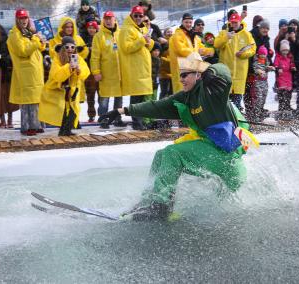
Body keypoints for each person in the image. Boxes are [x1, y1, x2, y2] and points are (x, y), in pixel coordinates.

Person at [99, 53, 258, 221]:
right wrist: (121, 111)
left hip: (226, 158)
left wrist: (213, 71)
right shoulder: (185, 97)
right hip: (212, 151)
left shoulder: (212, 92)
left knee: (173, 153)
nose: (181, 79)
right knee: (161, 155)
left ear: (198, 75)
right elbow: (155, 106)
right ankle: (149, 200)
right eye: (179, 75)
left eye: (185, 75)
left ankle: (162, 206)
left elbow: (224, 73)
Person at [39, 36, 90, 136]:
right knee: (61, 111)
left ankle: (67, 130)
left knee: (73, 111)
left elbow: (86, 72)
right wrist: (68, 67)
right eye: (67, 47)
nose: (70, 49)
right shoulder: (57, 59)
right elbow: (57, 76)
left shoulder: (78, 58)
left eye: (72, 47)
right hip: (58, 90)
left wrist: (79, 71)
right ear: (63, 48)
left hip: (72, 91)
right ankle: (63, 130)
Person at [7, 8, 46, 136]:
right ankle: (27, 126)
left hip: (34, 71)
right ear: (17, 19)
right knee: (27, 102)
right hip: (25, 73)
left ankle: (37, 124)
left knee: (35, 100)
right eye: (21, 18)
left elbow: (38, 48)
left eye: (25, 18)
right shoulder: (15, 34)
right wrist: (35, 40)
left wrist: (41, 40)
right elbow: (23, 51)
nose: (24, 20)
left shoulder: (28, 32)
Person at [118, 5, 154, 130]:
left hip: (142, 68)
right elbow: (126, 48)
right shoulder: (126, 29)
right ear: (131, 15)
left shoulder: (142, 28)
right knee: (136, 97)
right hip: (134, 69)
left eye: (141, 16)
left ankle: (140, 122)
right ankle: (136, 123)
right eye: (136, 15)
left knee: (142, 97)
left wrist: (150, 42)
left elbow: (147, 46)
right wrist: (142, 40)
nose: (138, 18)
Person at [214, 13, 256, 112]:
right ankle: (225, 120)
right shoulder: (224, 33)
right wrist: (226, 37)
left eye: (236, 22)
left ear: (240, 21)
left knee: (236, 103)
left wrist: (243, 54)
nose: (234, 24)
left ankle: (235, 122)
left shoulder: (247, 34)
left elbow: (253, 49)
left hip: (239, 74)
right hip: (226, 74)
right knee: (225, 102)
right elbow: (216, 45)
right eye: (232, 22)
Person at [91, 11, 125, 129]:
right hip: (105, 74)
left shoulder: (121, 34)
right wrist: (96, 72)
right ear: (103, 20)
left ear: (115, 19)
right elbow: (95, 56)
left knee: (119, 99)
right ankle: (103, 119)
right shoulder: (98, 36)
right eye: (106, 18)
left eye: (110, 18)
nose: (108, 21)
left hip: (120, 74)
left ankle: (117, 118)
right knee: (104, 99)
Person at [169, 13, 214, 93]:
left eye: (190, 22)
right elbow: (181, 50)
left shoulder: (194, 36)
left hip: (192, 69)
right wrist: (196, 53)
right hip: (181, 70)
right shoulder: (177, 35)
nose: (188, 24)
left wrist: (210, 51)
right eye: (186, 22)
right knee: (181, 93)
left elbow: (200, 47)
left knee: (192, 92)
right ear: (182, 22)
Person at [81, 20, 99, 122]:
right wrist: (88, 50)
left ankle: (103, 114)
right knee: (90, 94)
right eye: (89, 28)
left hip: (99, 69)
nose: (91, 30)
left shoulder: (100, 38)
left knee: (101, 94)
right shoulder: (84, 39)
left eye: (93, 28)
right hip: (88, 70)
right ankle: (91, 115)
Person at [252, 46, 275, 121]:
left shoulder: (266, 61)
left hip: (265, 82)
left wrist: (270, 68)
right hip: (258, 82)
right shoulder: (256, 61)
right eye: (261, 54)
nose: (263, 56)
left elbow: (266, 68)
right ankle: (256, 115)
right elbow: (255, 68)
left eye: (264, 54)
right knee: (258, 98)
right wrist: (259, 71)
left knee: (264, 97)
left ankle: (260, 113)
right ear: (258, 54)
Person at [274, 40, 296, 115]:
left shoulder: (290, 57)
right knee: (282, 93)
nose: (285, 52)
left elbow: (292, 64)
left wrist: (293, 67)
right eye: (283, 50)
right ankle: (281, 107)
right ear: (281, 50)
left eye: (286, 50)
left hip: (288, 77)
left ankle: (287, 107)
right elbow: (275, 64)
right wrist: (278, 68)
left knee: (288, 93)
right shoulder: (278, 57)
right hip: (281, 77)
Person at [159, 27, 173, 100]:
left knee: (172, 92)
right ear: (164, 34)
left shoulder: (174, 43)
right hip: (164, 72)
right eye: (168, 32)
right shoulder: (162, 44)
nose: (170, 33)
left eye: (171, 32)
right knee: (164, 92)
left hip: (172, 72)